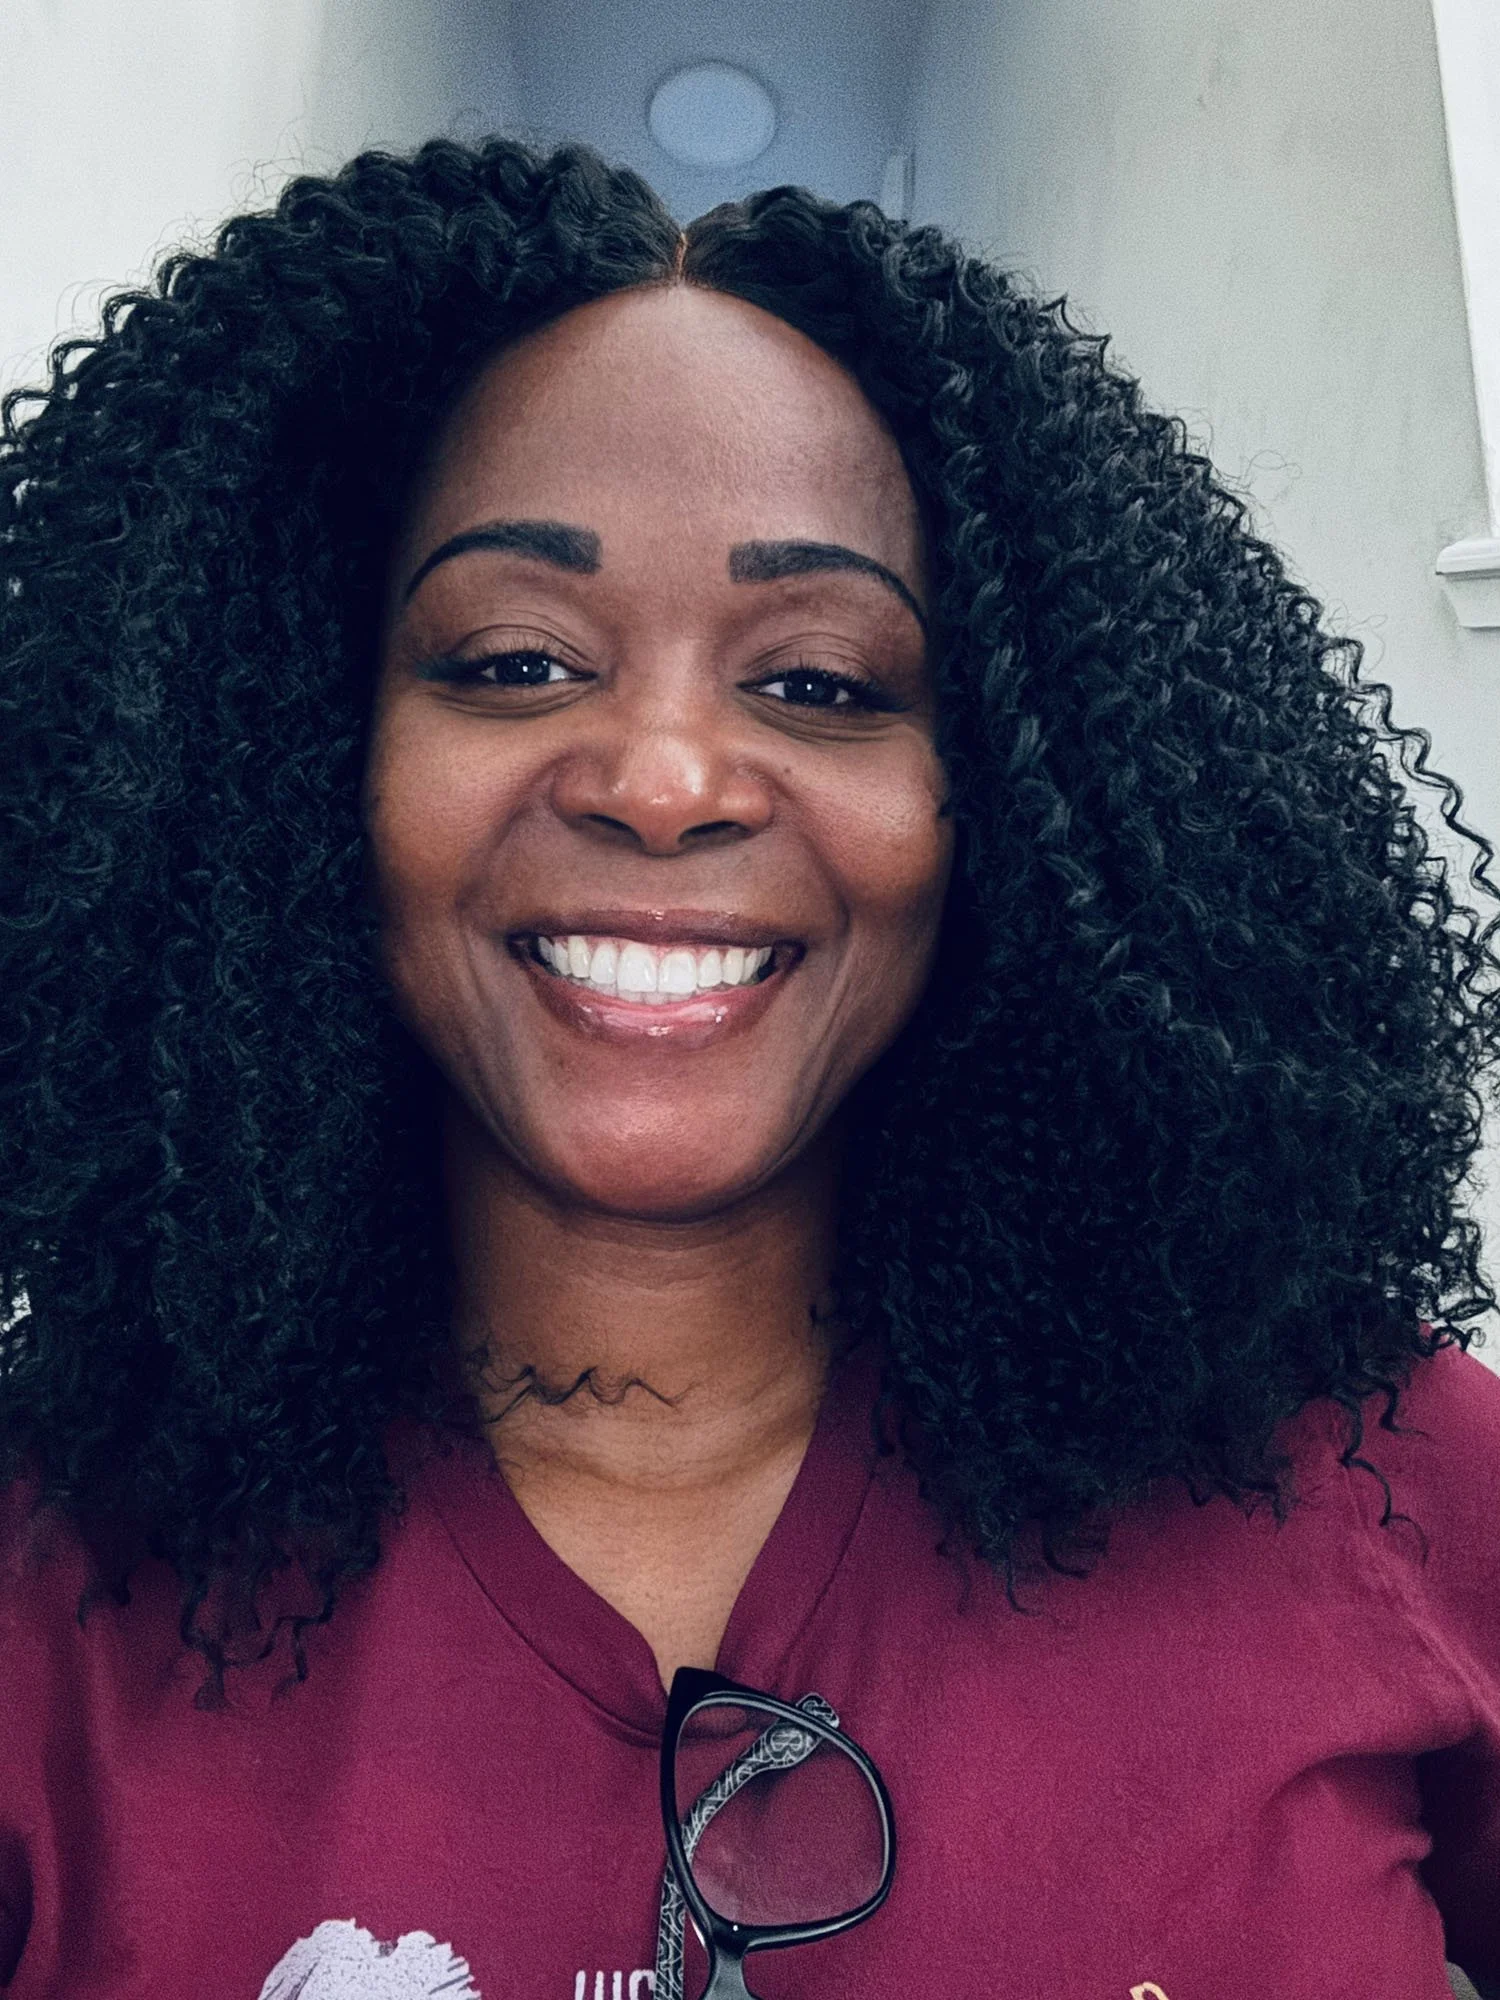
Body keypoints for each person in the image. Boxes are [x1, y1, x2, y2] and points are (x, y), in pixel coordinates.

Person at [1, 134, 1498, 2000]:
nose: (661, 779)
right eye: (516, 659)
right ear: (293, 752)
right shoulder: (41, 1573)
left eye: (820, 684)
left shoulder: (1396, 1485)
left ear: (1019, 812)